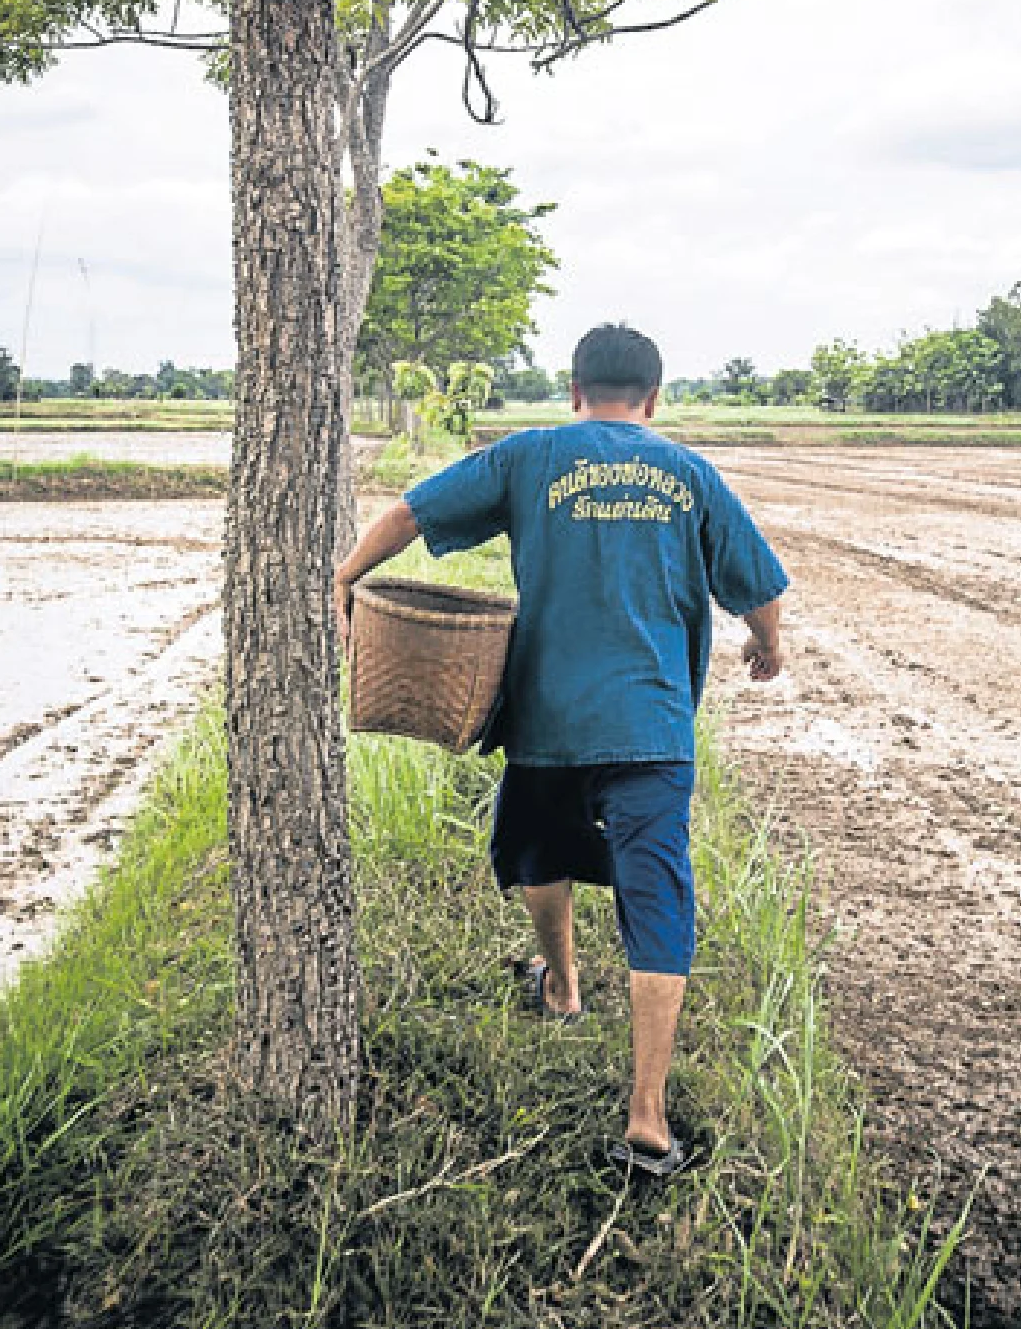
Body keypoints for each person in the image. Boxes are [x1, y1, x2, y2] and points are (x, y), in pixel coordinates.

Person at [334, 323, 787, 1177]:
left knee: (537, 849)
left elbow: (408, 513)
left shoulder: (530, 454)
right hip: (653, 727)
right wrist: (769, 645)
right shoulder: (687, 473)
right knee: (658, 900)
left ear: (573, 390)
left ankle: (564, 983)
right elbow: (757, 586)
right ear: (651, 400)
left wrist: (342, 575)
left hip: (545, 717)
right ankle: (647, 1117)